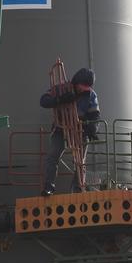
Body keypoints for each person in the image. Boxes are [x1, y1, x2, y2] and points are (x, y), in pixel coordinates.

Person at [40, 67, 101, 195]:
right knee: (53, 156)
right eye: (82, 85)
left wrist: (93, 129)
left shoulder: (91, 95)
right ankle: (49, 186)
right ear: (76, 81)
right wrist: (59, 100)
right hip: (61, 128)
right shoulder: (61, 89)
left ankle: (77, 189)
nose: (83, 89)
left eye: (87, 87)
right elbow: (43, 101)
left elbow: (94, 115)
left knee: (80, 162)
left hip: (80, 130)